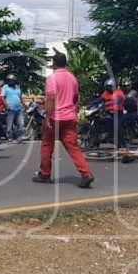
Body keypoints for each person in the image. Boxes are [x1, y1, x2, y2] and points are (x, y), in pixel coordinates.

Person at [32, 50, 94, 188]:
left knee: (47, 146)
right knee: (73, 147)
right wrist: (73, 110)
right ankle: (86, 173)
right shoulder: (72, 78)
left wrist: (47, 117)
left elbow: (52, 98)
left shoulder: (52, 78)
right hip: (69, 117)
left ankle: (45, 174)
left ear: (54, 63)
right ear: (65, 63)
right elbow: (76, 97)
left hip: (55, 117)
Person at [1, 75, 24, 141]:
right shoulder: (5, 87)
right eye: (9, 80)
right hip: (10, 109)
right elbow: (2, 97)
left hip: (18, 108)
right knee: (9, 125)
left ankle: (18, 136)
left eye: (11, 80)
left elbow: (20, 97)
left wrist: (24, 104)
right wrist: (6, 105)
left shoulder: (18, 87)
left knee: (21, 124)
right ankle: (10, 137)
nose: (10, 82)